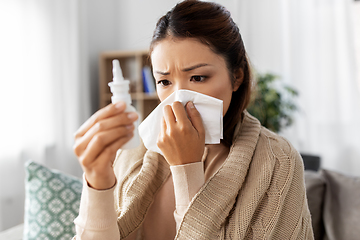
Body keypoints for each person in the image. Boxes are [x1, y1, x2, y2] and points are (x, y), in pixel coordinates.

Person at [73, 0, 314, 239]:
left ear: (236, 77)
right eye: (165, 82)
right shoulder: (134, 149)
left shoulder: (278, 161)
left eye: (198, 77)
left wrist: (186, 168)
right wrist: (98, 182)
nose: (179, 98)